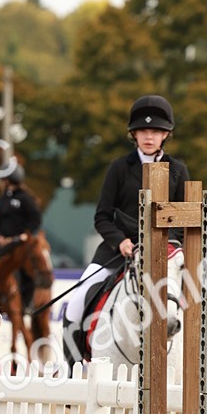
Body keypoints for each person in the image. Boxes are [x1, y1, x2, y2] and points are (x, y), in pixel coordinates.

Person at [63, 94, 189, 366]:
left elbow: (183, 221)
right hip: (119, 252)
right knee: (77, 302)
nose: (149, 136)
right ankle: (74, 368)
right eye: (143, 130)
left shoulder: (178, 170)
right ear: (134, 134)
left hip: (166, 258)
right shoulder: (120, 168)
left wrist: (171, 247)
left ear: (166, 134)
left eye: (155, 131)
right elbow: (102, 217)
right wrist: (120, 242)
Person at [0, 164, 43, 308]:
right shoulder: (3, 199)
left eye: (3, 179)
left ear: (7, 180)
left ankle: (28, 301)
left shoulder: (25, 198)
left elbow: (35, 219)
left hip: (19, 241)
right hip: (1, 241)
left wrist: (25, 235)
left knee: (28, 265)